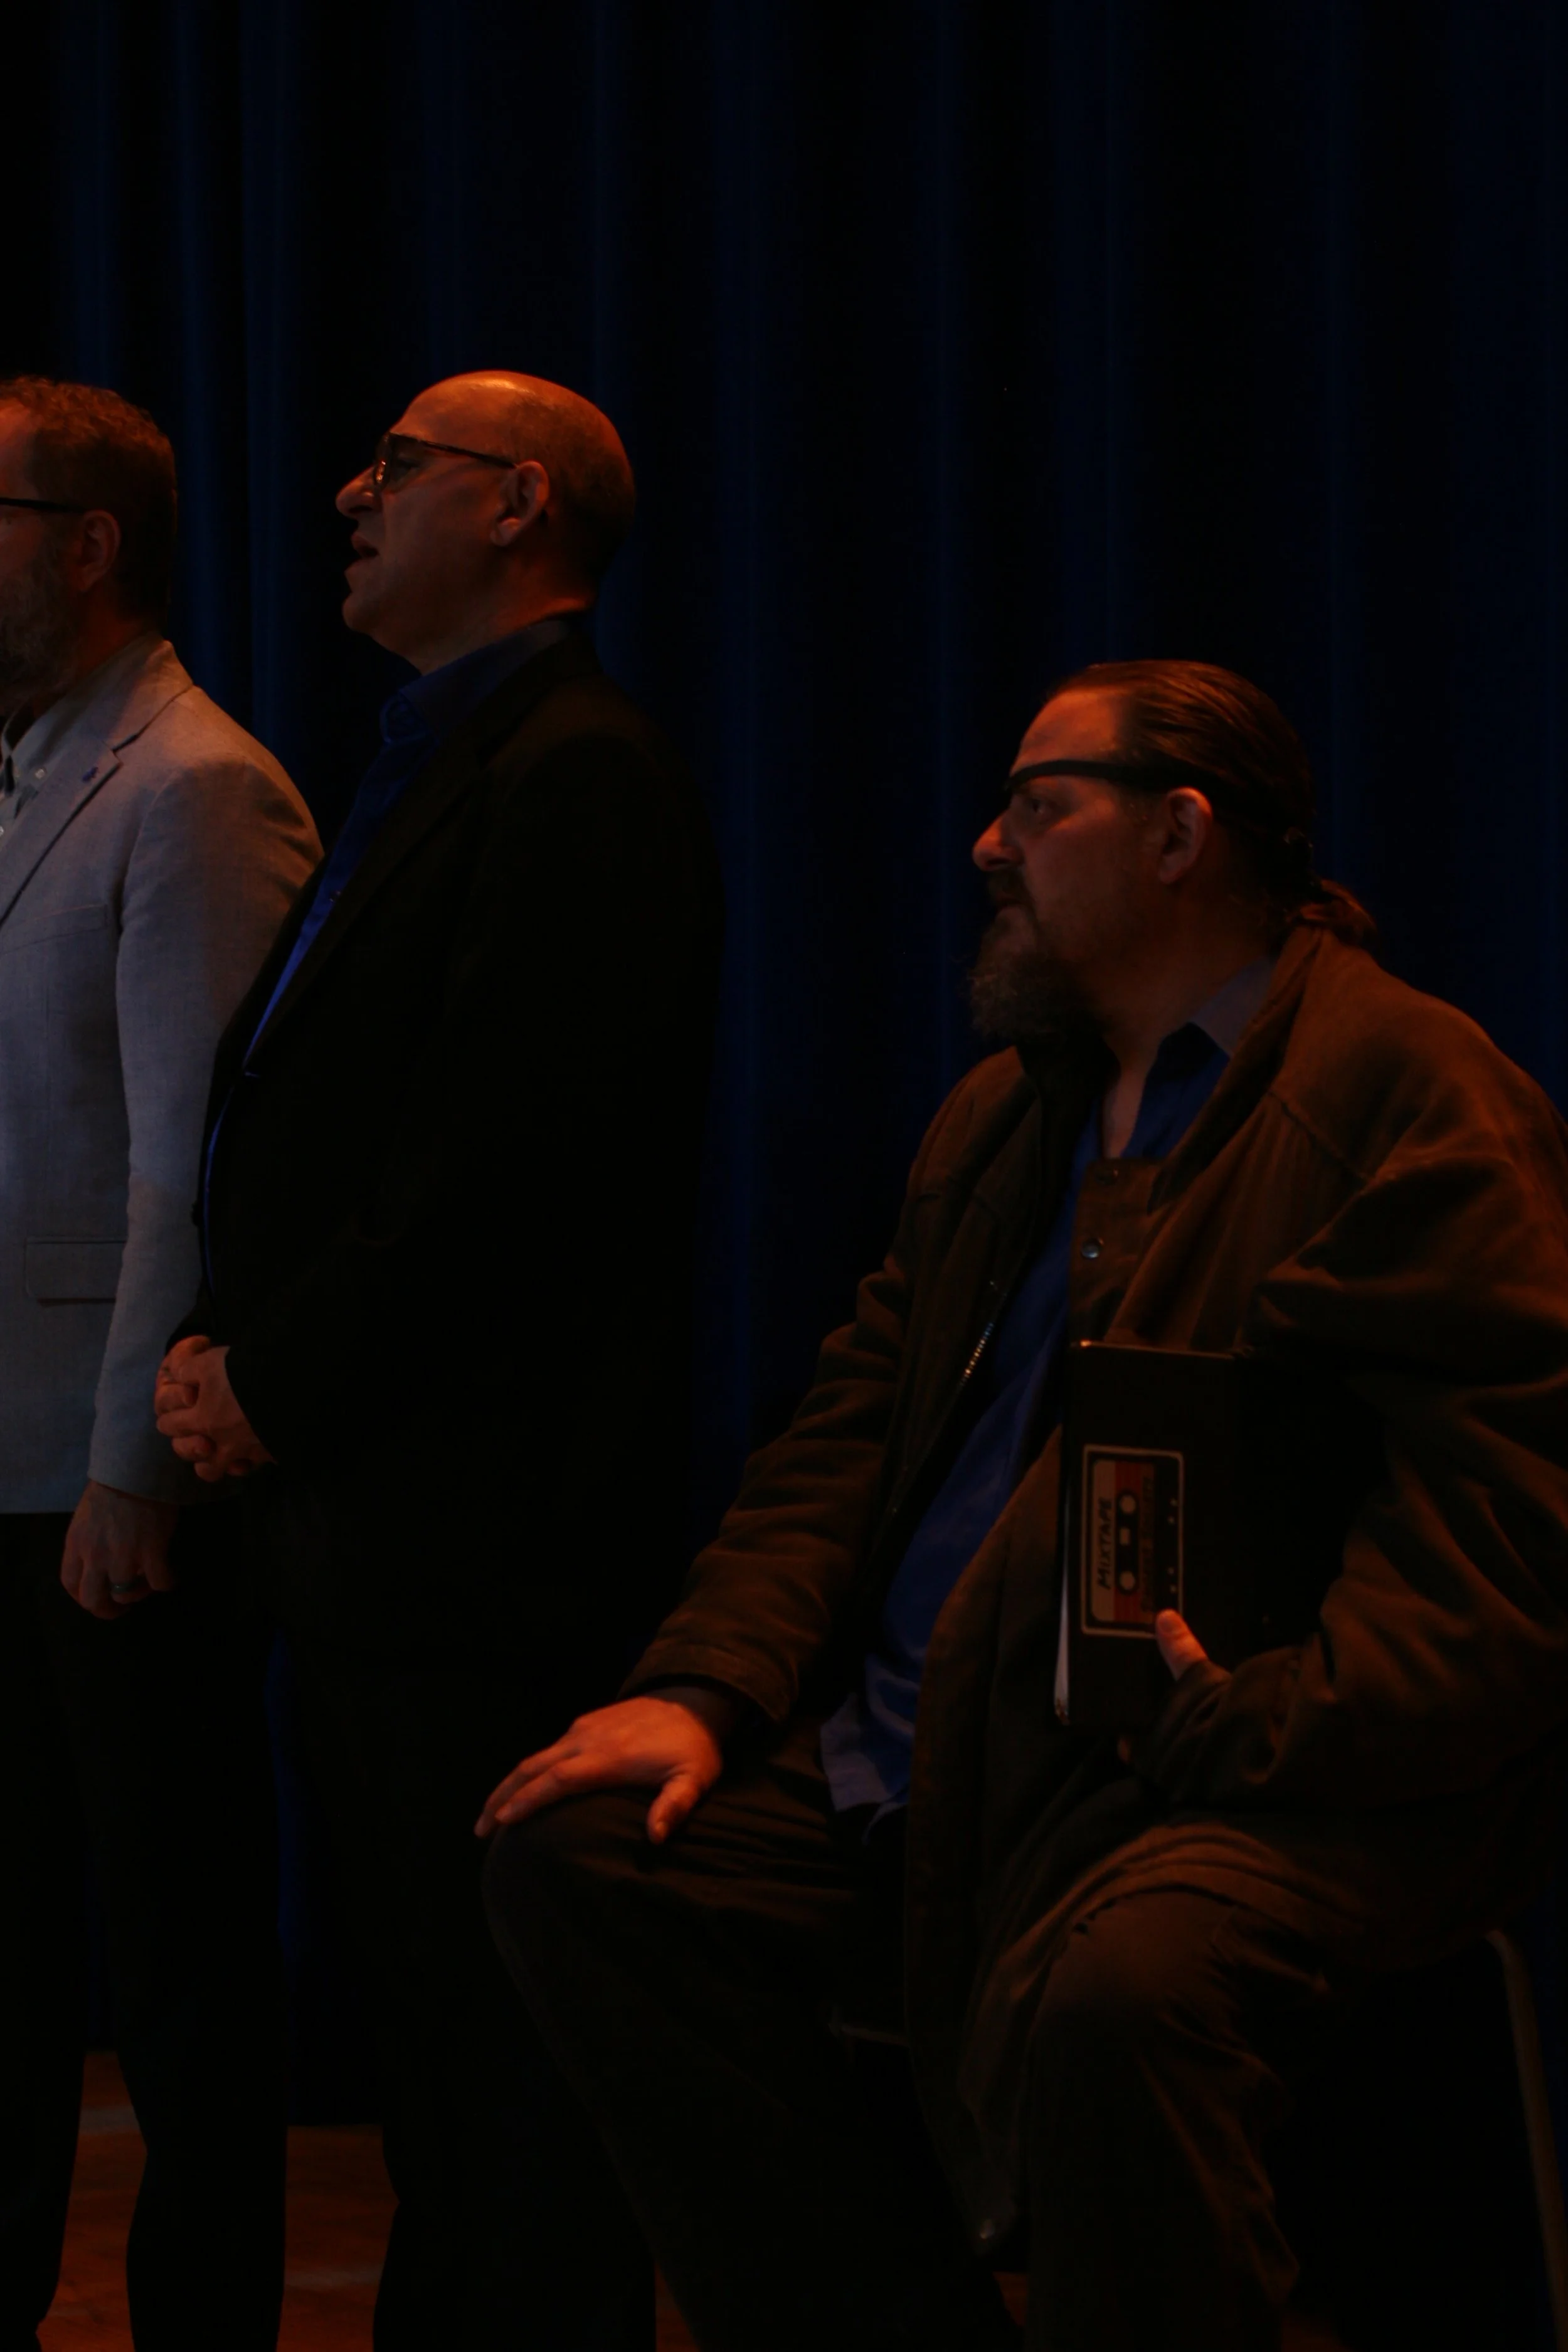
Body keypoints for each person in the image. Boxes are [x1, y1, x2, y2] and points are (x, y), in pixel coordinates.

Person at [479, 659, 1568, 2352]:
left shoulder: (1403, 1092)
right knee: (586, 1856)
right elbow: (844, 1437)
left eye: (1039, 804)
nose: (987, 844)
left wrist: (1255, 1720)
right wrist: (701, 1687)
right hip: (945, 1750)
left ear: (1180, 835)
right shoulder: (1006, 1113)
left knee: (1118, 1998)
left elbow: (1500, 1523)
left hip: (1236, 1769)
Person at [154, 371, 723, 2351]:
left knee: (507, 2083)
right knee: (437, 2072)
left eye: (394, 465)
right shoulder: (446, 755)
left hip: (486, 1550)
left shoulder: (579, 775)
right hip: (376, 1533)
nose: (347, 492)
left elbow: (501, 1176)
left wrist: (268, 1379)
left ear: (517, 503)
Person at [0, 377, 319, 2352]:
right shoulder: (31, 767)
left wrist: (134, 1460)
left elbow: (188, 1164)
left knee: (176, 1949)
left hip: (104, 1477)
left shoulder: (195, 783)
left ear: (85, 541)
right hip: (1, 1457)